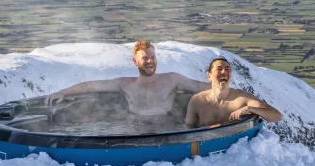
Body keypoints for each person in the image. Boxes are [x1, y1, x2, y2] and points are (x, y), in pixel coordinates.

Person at [45, 40, 208, 116]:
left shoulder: (173, 79)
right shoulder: (126, 84)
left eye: (152, 57)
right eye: (145, 58)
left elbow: (201, 86)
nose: (150, 61)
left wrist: (232, 99)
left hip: (166, 127)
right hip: (134, 128)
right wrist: (63, 92)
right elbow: (91, 86)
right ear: (135, 61)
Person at [184, 57, 282, 128]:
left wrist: (250, 108)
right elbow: (188, 129)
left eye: (227, 69)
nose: (224, 72)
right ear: (209, 76)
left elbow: (277, 116)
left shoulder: (242, 98)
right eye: (219, 69)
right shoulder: (198, 100)